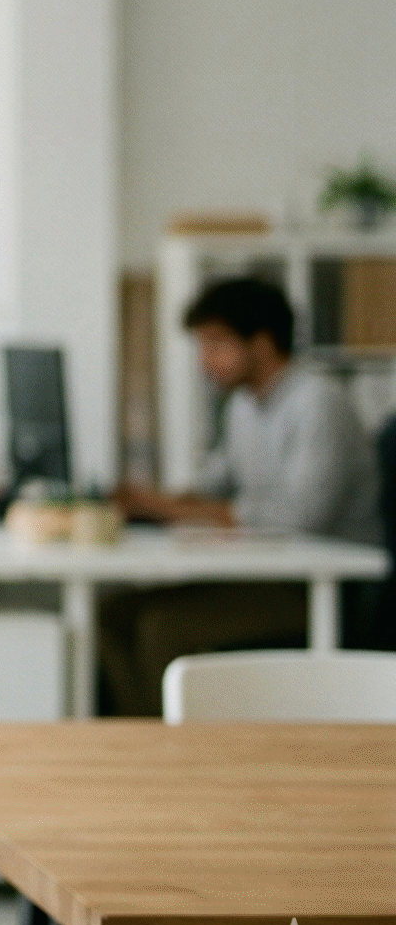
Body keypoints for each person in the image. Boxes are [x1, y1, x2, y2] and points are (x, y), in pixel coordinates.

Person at [103, 277, 380, 715]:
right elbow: (214, 485)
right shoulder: (243, 406)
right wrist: (151, 502)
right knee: (113, 613)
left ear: (262, 344)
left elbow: (302, 516)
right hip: (266, 572)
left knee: (161, 628)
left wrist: (173, 508)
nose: (205, 361)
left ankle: (179, 749)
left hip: (322, 587)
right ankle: (144, 737)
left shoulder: (318, 403)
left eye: (216, 344)